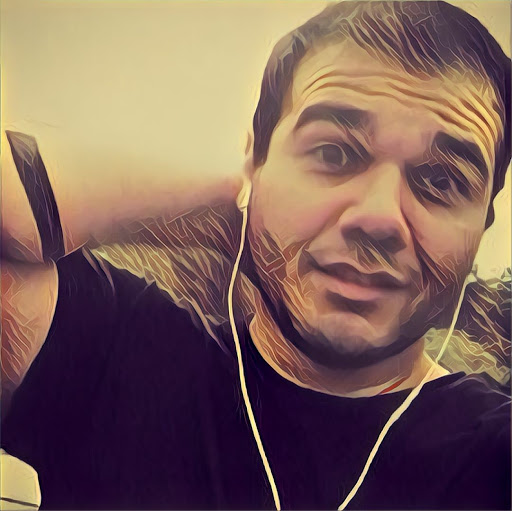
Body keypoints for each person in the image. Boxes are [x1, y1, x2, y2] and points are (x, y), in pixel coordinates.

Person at [1, 1, 510, 509]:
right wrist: (229, 196)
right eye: (333, 152)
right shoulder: (112, 349)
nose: (378, 218)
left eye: (442, 180)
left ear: (481, 226)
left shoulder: (492, 458)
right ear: (257, 160)